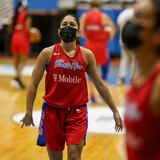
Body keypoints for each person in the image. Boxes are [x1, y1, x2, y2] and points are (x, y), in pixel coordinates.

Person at [20, 15, 123, 160]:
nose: (68, 26)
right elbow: (33, 83)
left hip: (77, 112)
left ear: (79, 31)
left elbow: (99, 84)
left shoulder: (87, 55)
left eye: (72, 24)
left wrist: (115, 111)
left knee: (74, 154)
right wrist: (28, 111)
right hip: (52, 112)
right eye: (64, 24)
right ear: (59, 30)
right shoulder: (47, 53)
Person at [122, 0, 160, 159]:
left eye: (140, 17)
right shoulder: (138, 79)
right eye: (133, 15)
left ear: (157, 34)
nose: (131, 23)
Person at [80, 0, 116, 102]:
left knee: (90, 72)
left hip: (89, 46)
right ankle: (102, 95)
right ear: (99, 6)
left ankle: (92, 96)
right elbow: (112, 29)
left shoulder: (84, 16)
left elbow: (81, 32)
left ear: (89, 6)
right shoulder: (103, 16)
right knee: (104, 71)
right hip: (101, 45)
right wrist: (108, 35)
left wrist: (89, 34)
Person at [10, 0, 31, 89]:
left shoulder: (14, 14)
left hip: (14, 37)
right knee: (23, 61)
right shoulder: (27, 14)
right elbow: (27, 29)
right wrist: (32, 34)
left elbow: (10, 29)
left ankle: (17, 79)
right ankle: (17, 78)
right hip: (23, 38)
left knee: (16, 60)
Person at [116, 6, 136, 85]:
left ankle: (121, 79)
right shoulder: (136, 13)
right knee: (135, 61)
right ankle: (133, 79)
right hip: (134, 42)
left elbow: (118, 26)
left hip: (123, 41)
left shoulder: (123, 13)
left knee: (124, 59)